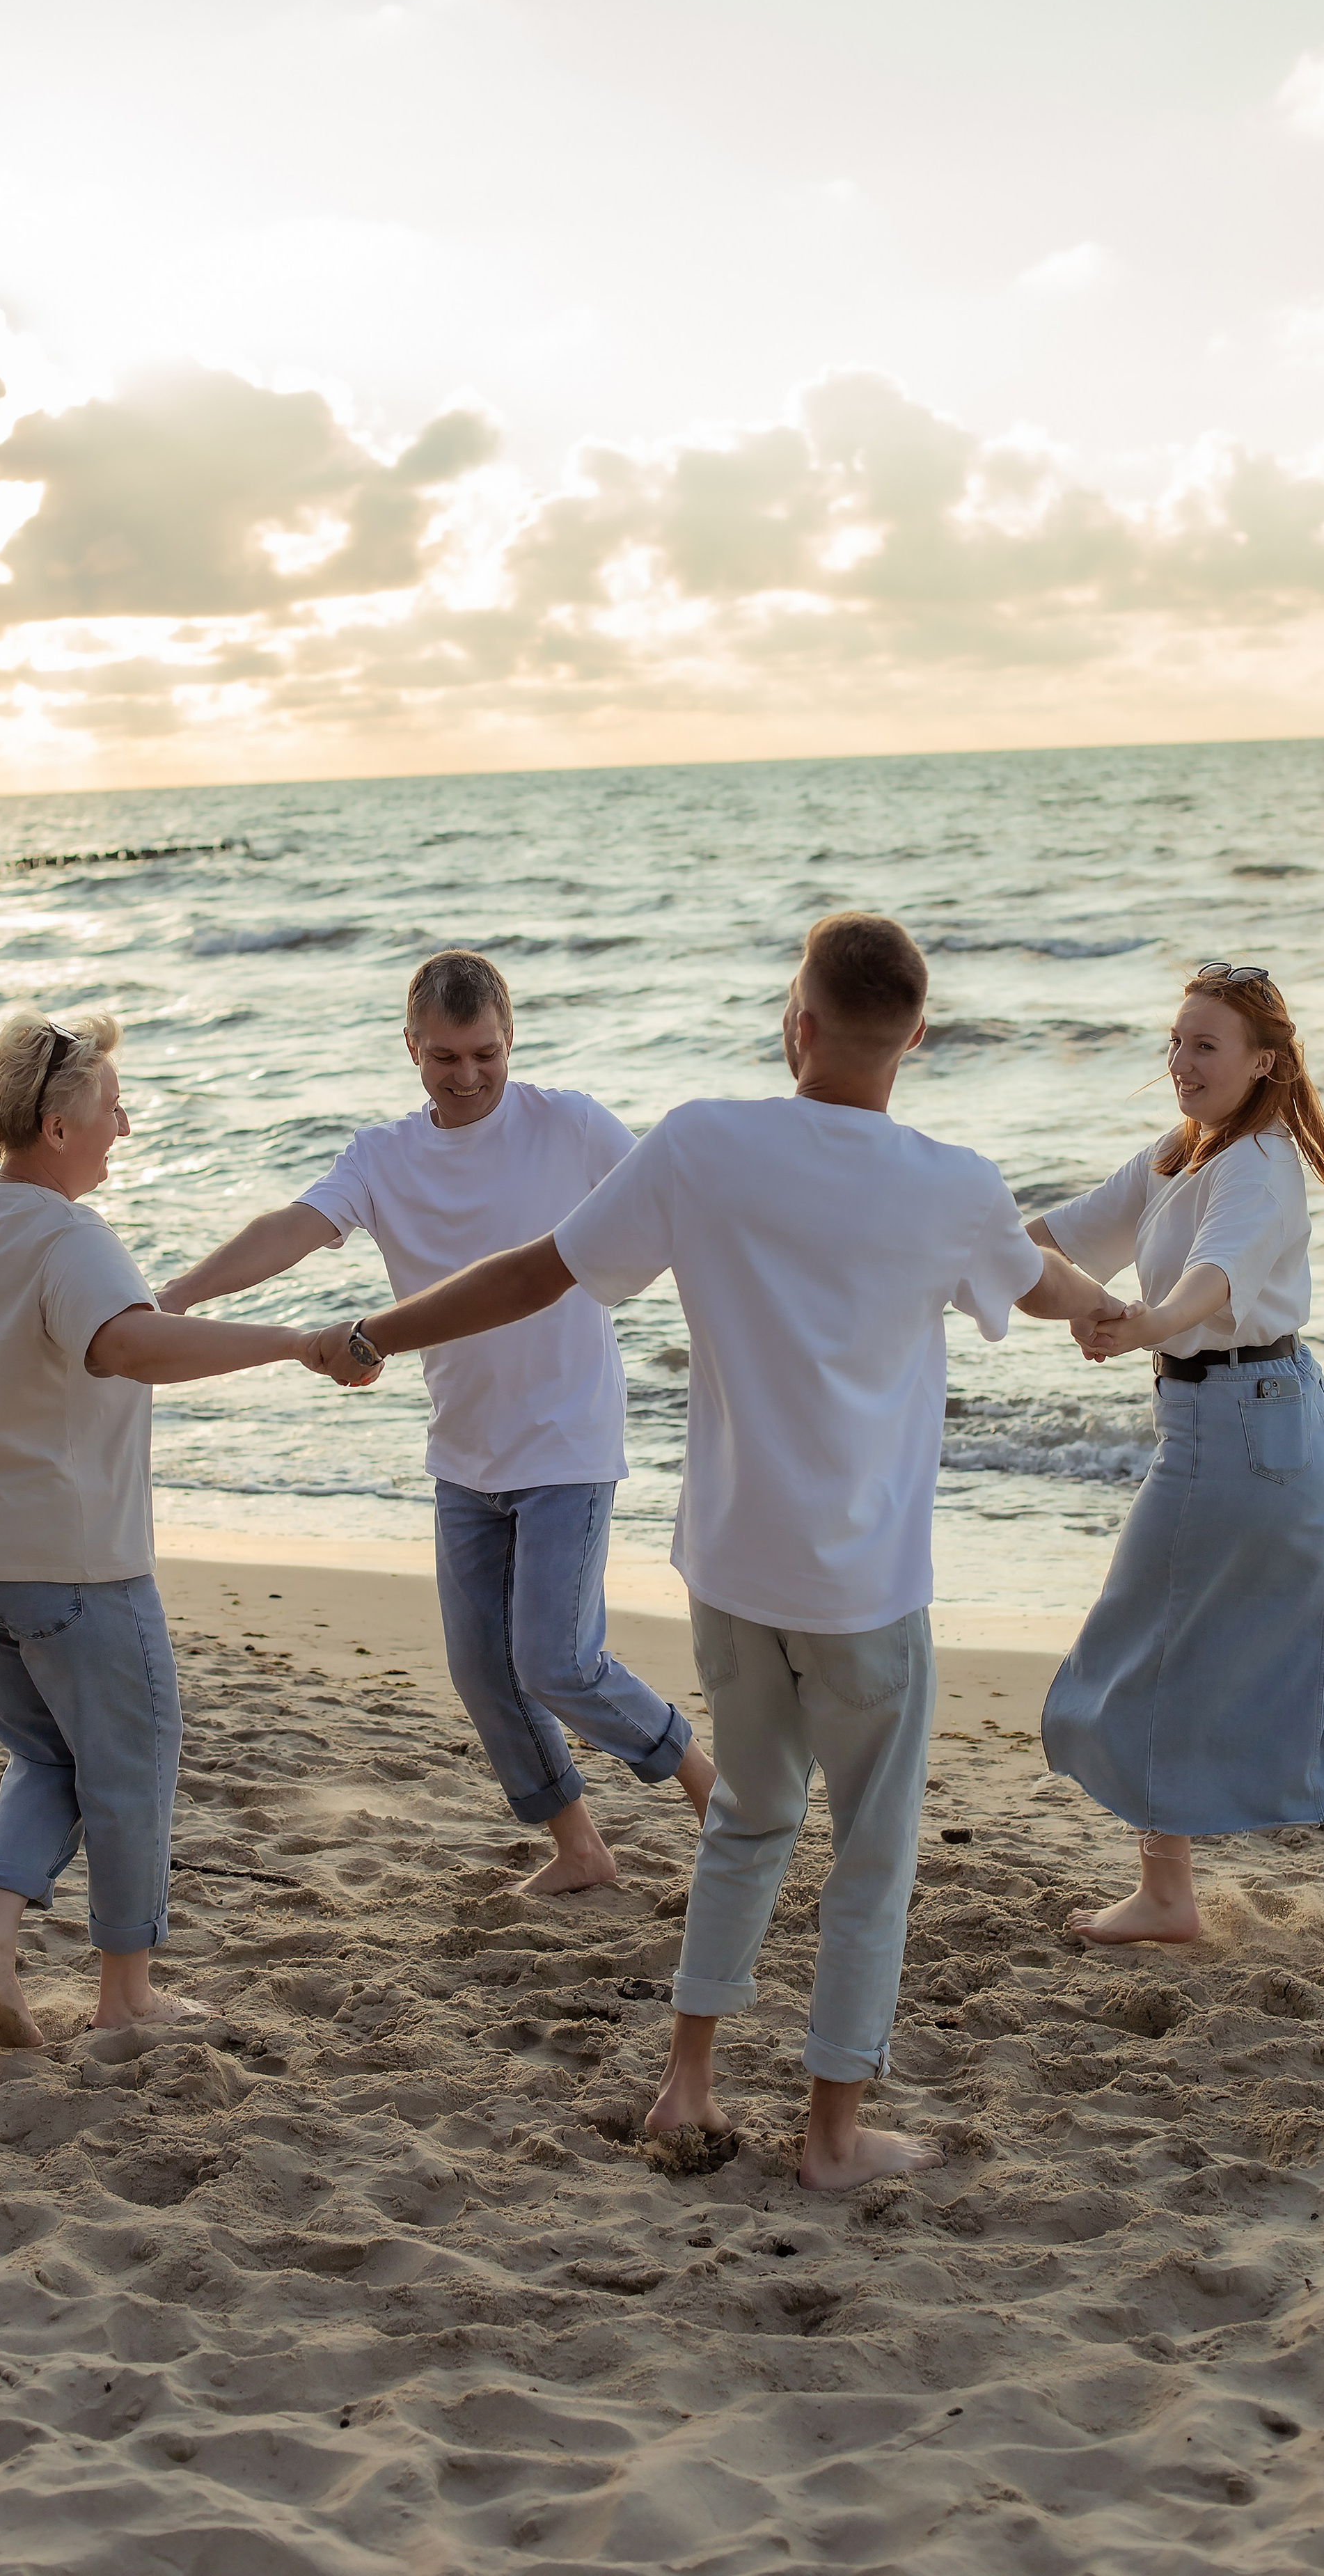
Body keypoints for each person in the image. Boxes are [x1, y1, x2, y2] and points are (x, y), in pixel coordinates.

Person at [314, 915, 1123, 2188]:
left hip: (734, 1572)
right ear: (917, 1036)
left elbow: (535, 1274)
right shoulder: (956, 1187)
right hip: (865, 1591)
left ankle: (686, 2085)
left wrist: (376, 1331)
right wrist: (1119, 1314)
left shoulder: (702, 1143)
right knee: (870, 1855)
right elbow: (1044, 1284)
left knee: (747, 1818)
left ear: (797, 1023)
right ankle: (833, 2138)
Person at [159, 948, 716, 1895]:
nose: (467, 1077)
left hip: (568, 1441)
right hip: (464, 1453)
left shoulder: (573, 1125)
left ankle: (712, 1793)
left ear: (511, 1039)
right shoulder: (382, 1156)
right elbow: (292, 1229)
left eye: (485, 1055)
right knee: (484, 1673)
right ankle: (580, 1849)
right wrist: (180, 1295)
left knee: (557, 1663)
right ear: (411, 1046)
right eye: (446, 1057)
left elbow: (676, 1220)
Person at [0, 1007, 356, 2051]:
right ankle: (129, 1997)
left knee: (50, 1757)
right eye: (113, 1107)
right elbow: (128, 1345)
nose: (125, 1125)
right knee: (131, 1766)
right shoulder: (66, 1236)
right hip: (65, 1565)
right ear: (57, 1128)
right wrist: (295, 1342)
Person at [1033, 961, 1324, 1982]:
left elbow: (1213, 1281)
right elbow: (1057, 1240)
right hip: (1253, 1427)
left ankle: (1170, 1891)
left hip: (1246, 1437)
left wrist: (1146, 1324)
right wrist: (940, 1249)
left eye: (1207, 1045)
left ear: (1263, 1062)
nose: (1182, 1062)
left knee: (1142, 1649)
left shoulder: (1259, 1164)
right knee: (1295, 1673)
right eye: (1177, 1042)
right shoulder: (1181, 1151)